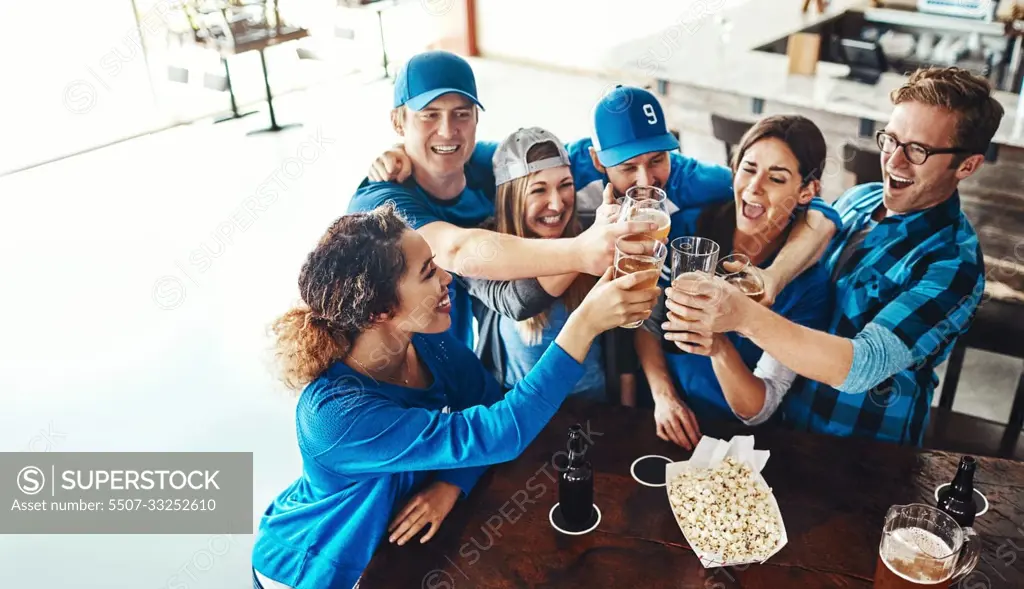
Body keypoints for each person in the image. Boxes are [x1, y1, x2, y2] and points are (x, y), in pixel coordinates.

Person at [251, 204, 661, 589]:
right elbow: (499, 433)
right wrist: (584, 324)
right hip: (318, 565)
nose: (448, 278)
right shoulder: (335, 417)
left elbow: (484, 402)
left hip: (396, 545)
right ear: (379, 311)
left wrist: (453, 480)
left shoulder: (426, 341)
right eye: (429, 272)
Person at [369, 82, 843, 403]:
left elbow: (780, 195)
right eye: (626, 166)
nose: (644, 180)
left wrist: (817, 218)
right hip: (517, 401)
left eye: (657, 161)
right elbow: (513, 291)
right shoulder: (565, 184)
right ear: (594, 160)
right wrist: (587, 250)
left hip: (599, 402)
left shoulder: (683, 184)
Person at [662, 67, 1004, 445]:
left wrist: (743, 316)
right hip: (784, 430)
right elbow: (815, 217)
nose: (893, 162)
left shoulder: (952, 263)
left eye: (918, 150)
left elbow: (863, 365)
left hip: (860, 450)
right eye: (891, 140)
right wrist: (775, 276)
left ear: (968, 165)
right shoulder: (861, 199)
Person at [347, 52, 654, 349]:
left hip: (458, 360)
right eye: (429, 115)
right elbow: (456, 251)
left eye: (461, 114)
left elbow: (594, 153)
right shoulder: (381, 201)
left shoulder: (482, 163)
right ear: (398, 123)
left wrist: (656, 153)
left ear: (476, 119)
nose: (447, 130)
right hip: (391, 368)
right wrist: (582, 251)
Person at [638, 115, 834, 449]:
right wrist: (664, 397)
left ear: (806, 192)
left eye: (776, 178)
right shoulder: (686, 229)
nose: (755, 187)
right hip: (660, 412)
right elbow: (647, 325)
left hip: (738, 441)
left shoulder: (809, 287)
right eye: (748, 168)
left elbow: (759, 409)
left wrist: (718, 346)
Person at [465, 127, 623, 401]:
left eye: (565, 185)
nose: (557, 204)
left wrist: (627, 413)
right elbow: (519, 301)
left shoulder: (589, 231)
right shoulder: (483, 248)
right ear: (511, 197)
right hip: (519, 411)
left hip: (596, 408)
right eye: (539, 190)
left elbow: (623, 345)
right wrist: (587, 248)